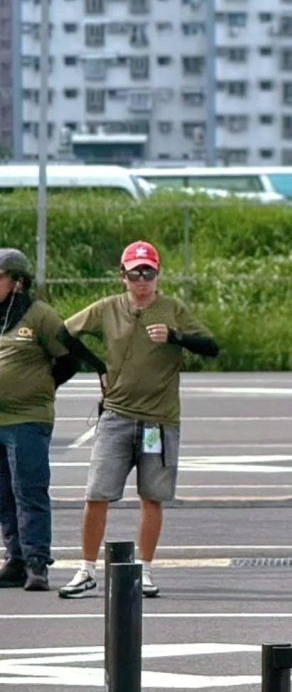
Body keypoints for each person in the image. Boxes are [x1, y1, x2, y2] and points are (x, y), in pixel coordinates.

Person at [59, 241, 219, 600]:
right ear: (123, 276)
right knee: (96, 494)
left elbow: (211, 347)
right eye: (135, 274)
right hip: (117, 416)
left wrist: (175, 337)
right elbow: (63, 333)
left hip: (158, 421)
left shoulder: (173, 309)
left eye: (148, 273)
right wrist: (97, 366)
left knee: (152, 497)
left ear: (158, 274)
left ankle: (144, 569)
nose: (142, 281)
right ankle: (86, 570)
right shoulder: (107, 308)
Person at [0, 248, 106, 592]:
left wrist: (43, 387)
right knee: (3, 494)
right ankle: (15, 560)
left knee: (28, 490)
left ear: (17, 282)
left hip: (28, 418)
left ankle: (36, 562)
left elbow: (69, 358)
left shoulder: (39, 316)